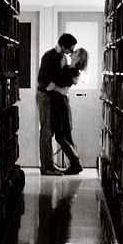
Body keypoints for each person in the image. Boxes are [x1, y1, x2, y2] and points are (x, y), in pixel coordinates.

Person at [36, 33, 77, 175]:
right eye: (70, 49)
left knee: (51, 131)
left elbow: (61, 78)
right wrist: (49, 86)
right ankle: (47, 167)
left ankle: (49, 166)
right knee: (46, 131)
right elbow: (41, 79)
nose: (71, 52)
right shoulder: (49, 56)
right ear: (63, 45)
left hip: (53, 97)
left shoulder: (62, 58)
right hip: (45, 96)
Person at [47, 47, 88, 176]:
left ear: (79, 58)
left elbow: (56, 84)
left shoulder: (71, 70)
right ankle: (75, 164)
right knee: (65, 136)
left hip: (59, 103)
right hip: (62, 102)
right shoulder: (72, 70)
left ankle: (76, 164)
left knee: (60, 136)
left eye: (75, 53)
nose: (72, 53)